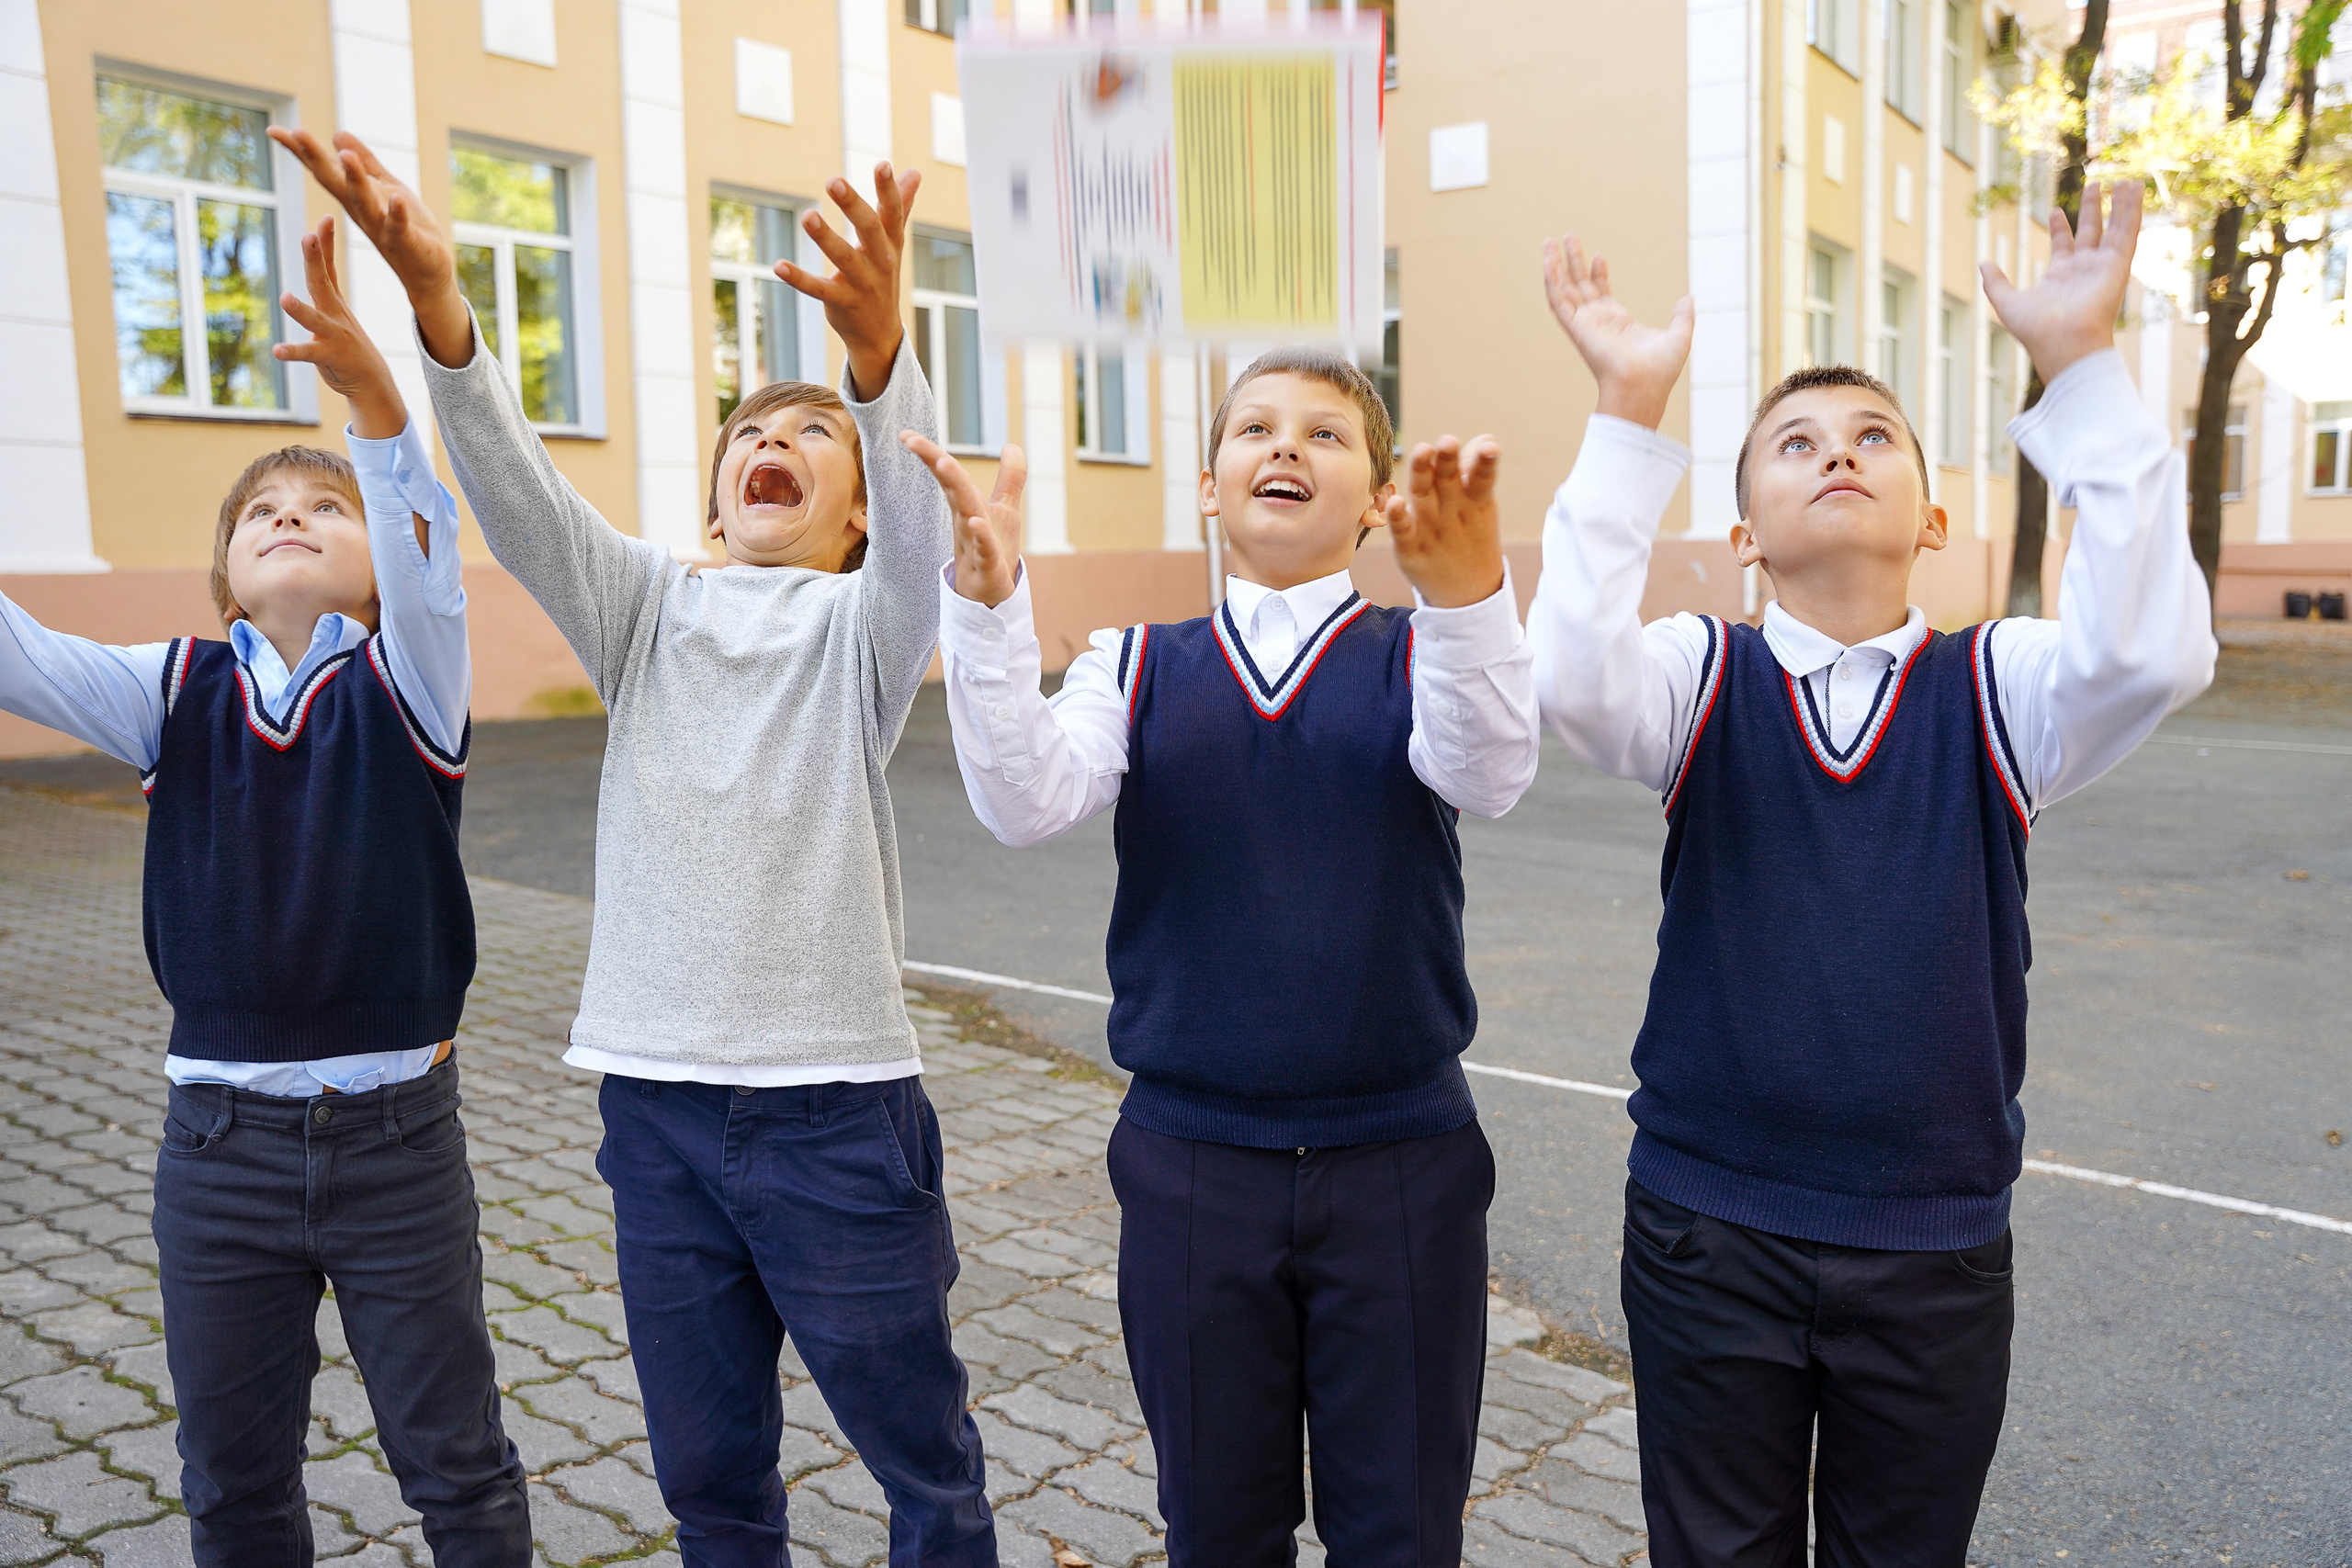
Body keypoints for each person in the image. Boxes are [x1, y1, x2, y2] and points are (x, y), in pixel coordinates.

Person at [269, 127, 994, 1567]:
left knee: (924, 1462)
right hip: (655, 1114)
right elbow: (523, 499)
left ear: (853, 511)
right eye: (750, 434)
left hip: (836, 1111)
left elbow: (923, 541)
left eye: (814, 437)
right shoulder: (647, 609)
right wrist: (443, 314)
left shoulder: (864, 626)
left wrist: (877, 355)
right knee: (708, 1474)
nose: (773, 445)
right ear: (716, 494)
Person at [1527, 182, 2215, 1564]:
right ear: (1743, 538)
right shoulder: (1699, 673)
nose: (1836, 453)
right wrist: (1625, 419)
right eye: (1794, 443)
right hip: (1709, 1227)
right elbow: (1571, 683)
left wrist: (2084, 371)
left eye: (1872, 437)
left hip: (1930, 1243)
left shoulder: (2000, 686)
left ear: (1933, 521)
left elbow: (2151, 652)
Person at [905, 347, 1539, 1565]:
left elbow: (1490, 770)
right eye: (1255, 428)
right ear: (1208, 486)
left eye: (1325, 433)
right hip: (1193, 1165)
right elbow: (1025, 802)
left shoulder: (1424, 654)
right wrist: (986, 612)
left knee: (1403, 1533)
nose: (1286, 445)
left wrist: (1467, 601)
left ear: (1379, 499)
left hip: (1401, 1162)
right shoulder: (1136, 664)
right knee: (1216, 1530)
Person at [0, 218, 526, 1564]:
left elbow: (425, 550)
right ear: (225, 575)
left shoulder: (412, 679)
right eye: (261, 515)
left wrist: (374, 404)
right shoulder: (170, 691)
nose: (290, 518)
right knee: (233, 1482)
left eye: (325, 509)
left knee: (457, 1468)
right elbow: (20, 650)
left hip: (399, 1147)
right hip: (217, 1151)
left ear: (375, 561)